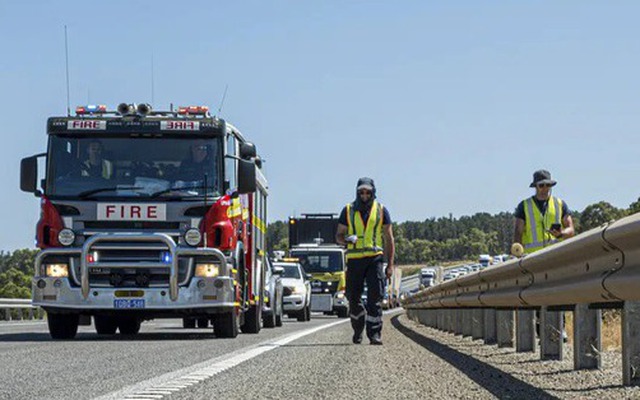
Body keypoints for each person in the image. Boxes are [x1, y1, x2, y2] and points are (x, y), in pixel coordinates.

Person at [336, 177, 395, 345]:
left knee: (375, 296)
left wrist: (390, 265)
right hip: (354, 260)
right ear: (357, 192)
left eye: (367, 192)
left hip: (374, 258)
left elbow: (389, 239)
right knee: (353, 298)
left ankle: (375, 334)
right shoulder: (347, 210)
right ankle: (358, 328)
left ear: (373, 192)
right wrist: (347, 239)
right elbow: (338, 236)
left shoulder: (382, 210)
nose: (364, 195)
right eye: (361, 192)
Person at [513, 169, 575, 255]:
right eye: (541, 185)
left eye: (548, 185)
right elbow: (518, 233)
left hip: (556, 256)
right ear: (535, 186)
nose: (545, 188)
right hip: (532, 258)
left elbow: (571, 230)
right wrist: (518, 253)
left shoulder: (560, 204)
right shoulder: (524, 206)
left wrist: (561, 233)